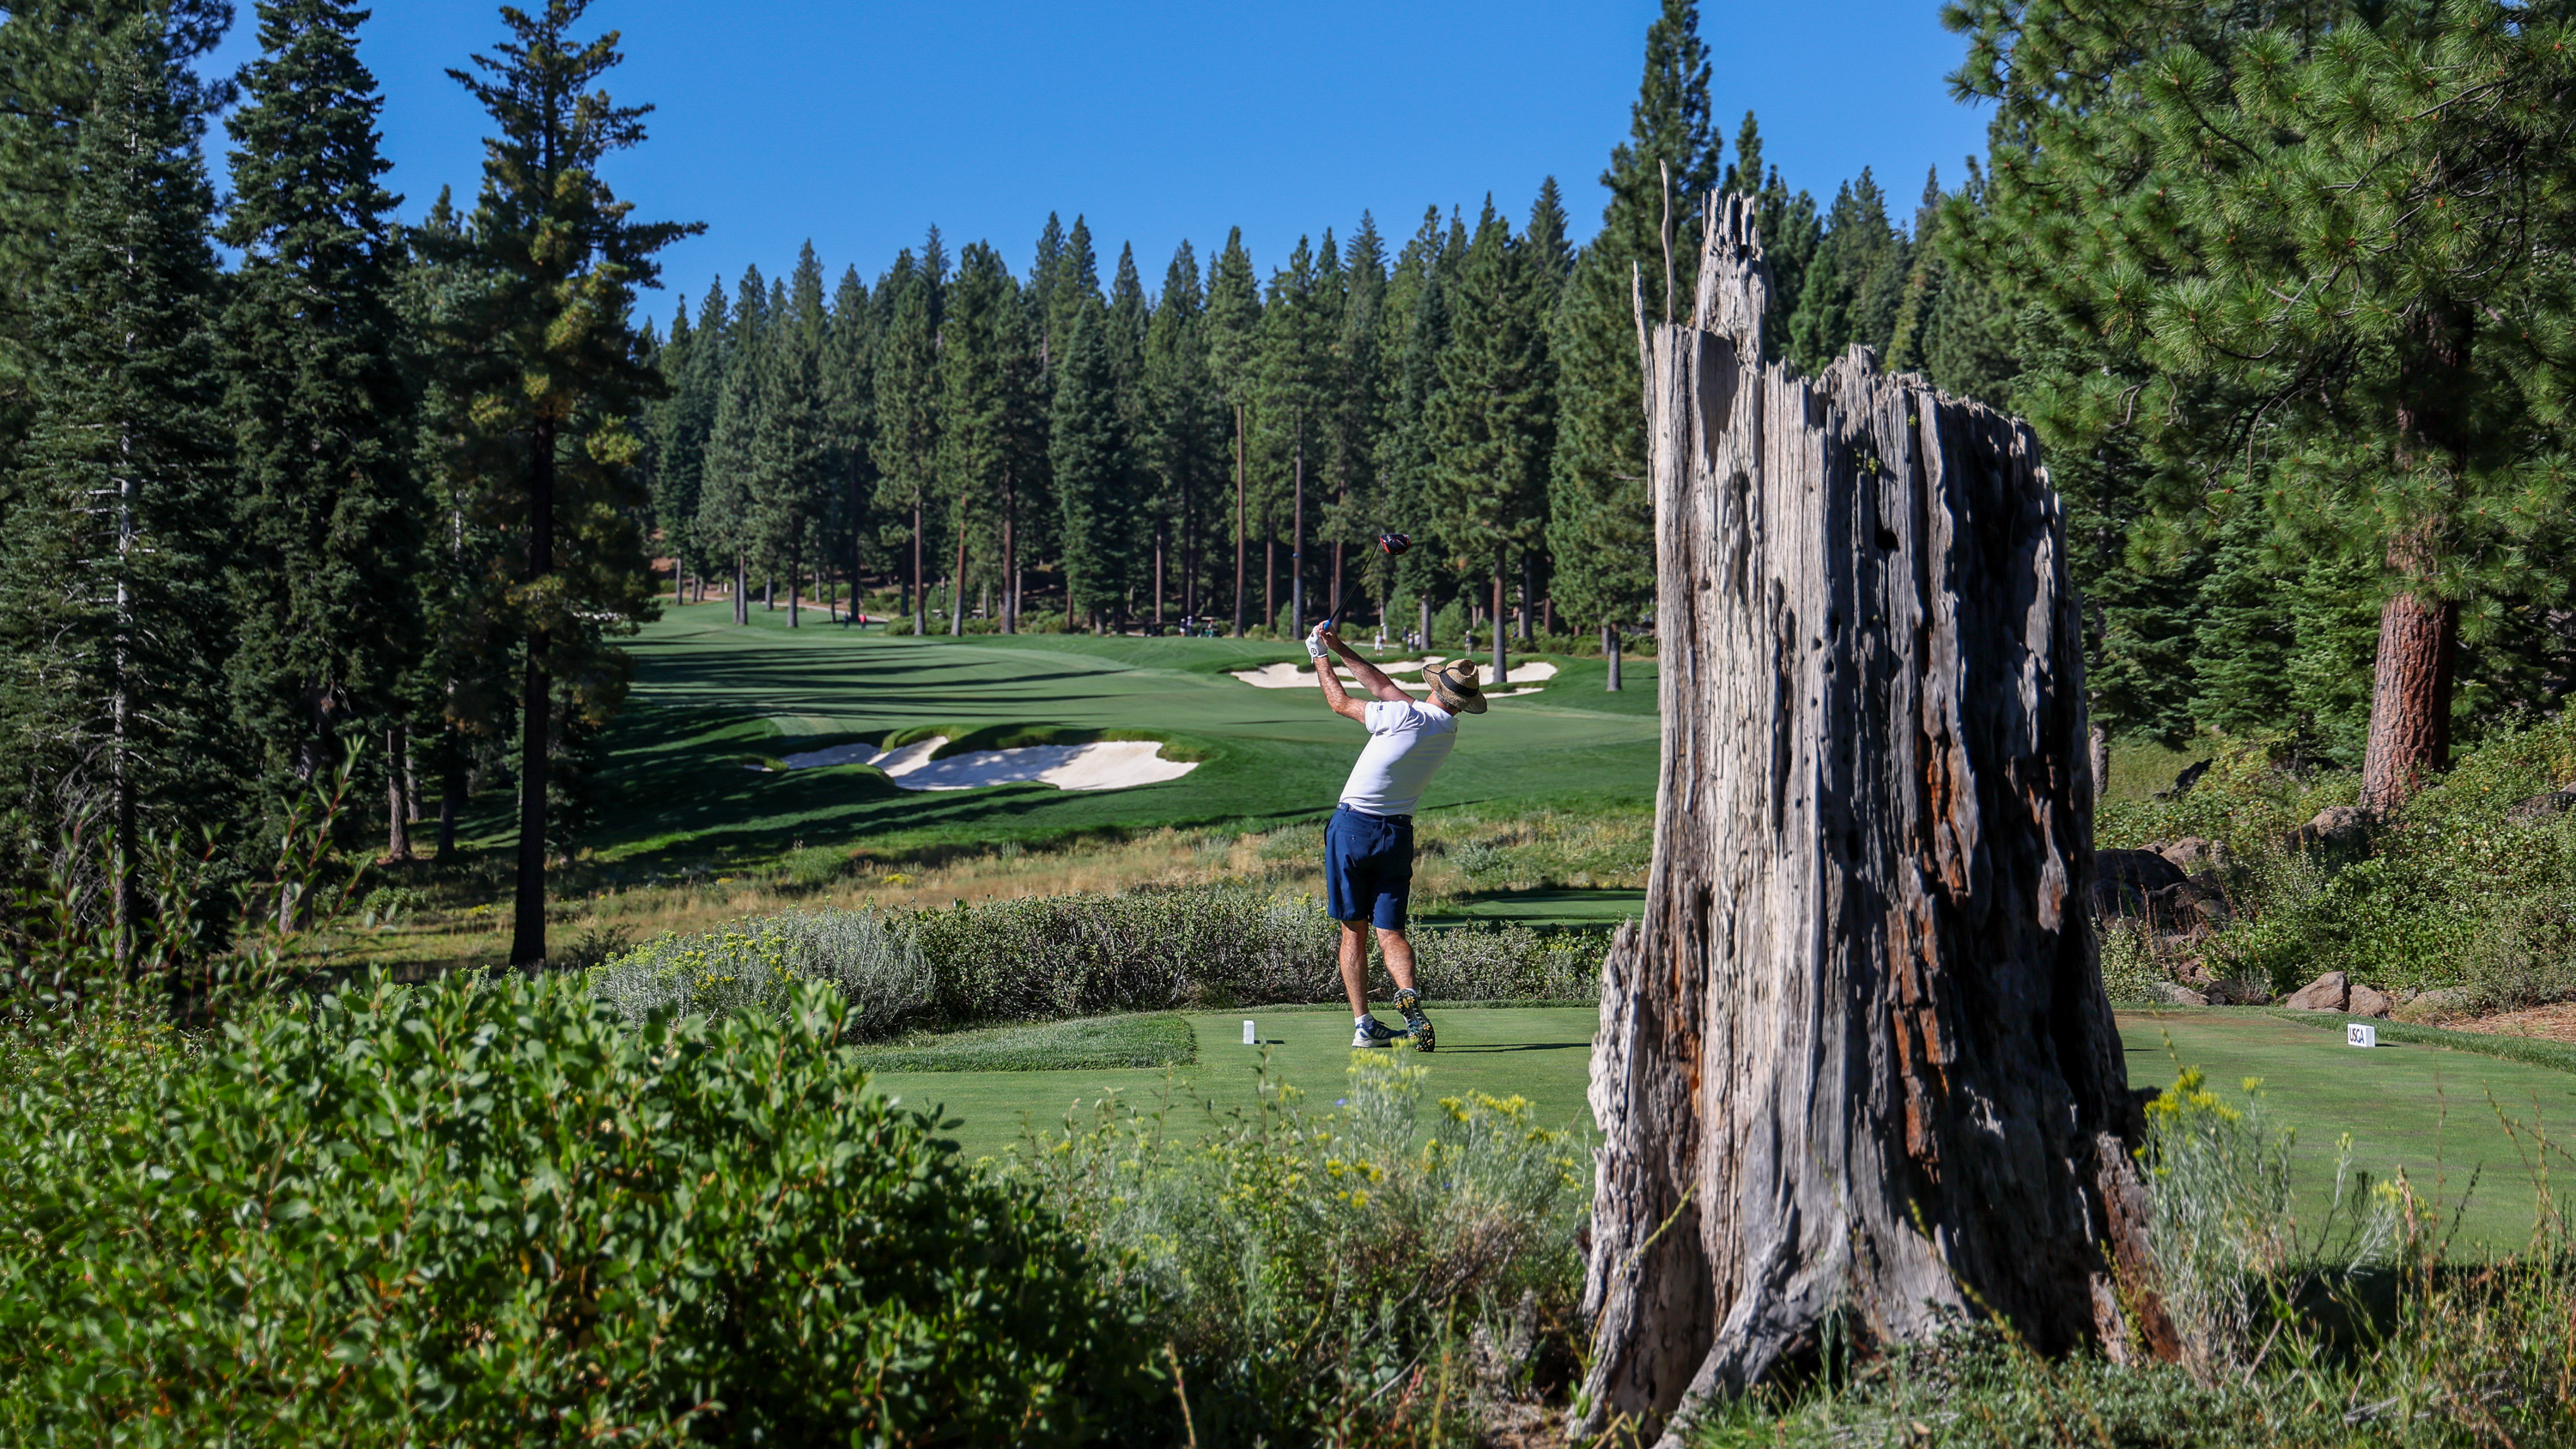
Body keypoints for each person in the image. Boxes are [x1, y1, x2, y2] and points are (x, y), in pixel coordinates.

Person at [1305, 621, 1486, 1050]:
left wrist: (1318, 655)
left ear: (1437, 686)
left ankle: (1364, 1024)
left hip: (1353, 829)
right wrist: (1340, 646)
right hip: (1397, 836)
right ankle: (1407, 997)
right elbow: (1385, 686)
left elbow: (1339, 702)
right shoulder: (1445, 730)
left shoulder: (1406, 715)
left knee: (1354, 932)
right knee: (1391, 932)